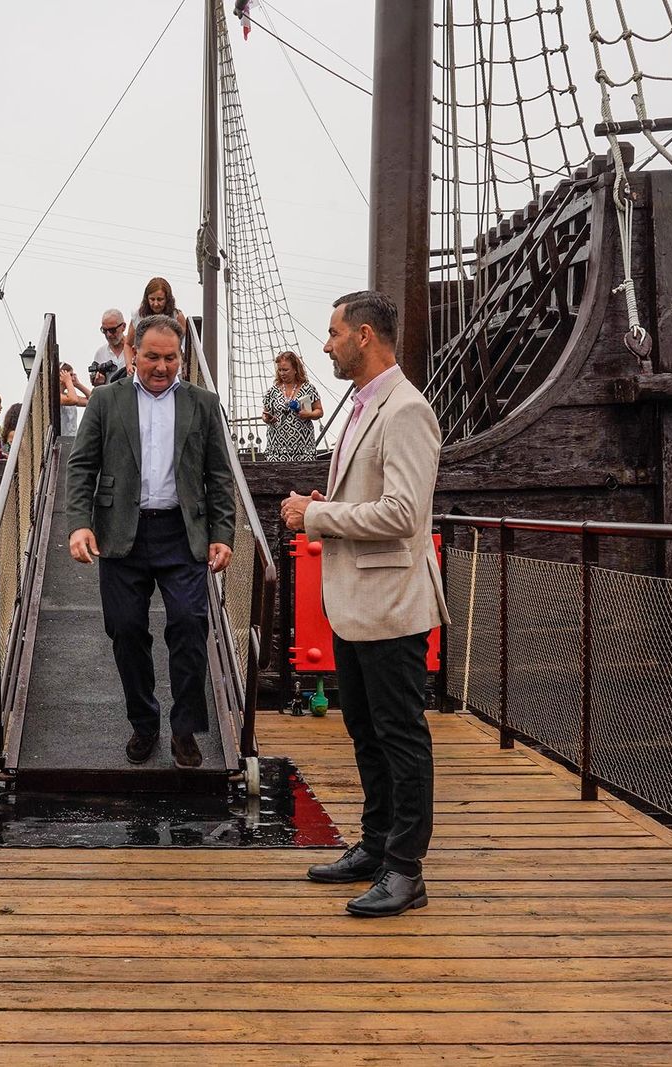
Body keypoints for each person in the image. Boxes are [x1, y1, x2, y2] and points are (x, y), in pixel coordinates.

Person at [280, 290, 447, 919]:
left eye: (333, 333)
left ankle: (406, 869)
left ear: (365, 336)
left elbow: (405, 514)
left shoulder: (405, 410)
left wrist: (316, 514)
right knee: (366, 732)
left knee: (400, 737)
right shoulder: (363, 404)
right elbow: (376, 495)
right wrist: (334, 502)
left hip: (389, 605)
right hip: (357, 603)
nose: (326, 345)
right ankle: (376, 846)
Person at [65, 314, 236, 768]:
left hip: (182, 534)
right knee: (125, 631)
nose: (161, 366)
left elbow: (219, 475)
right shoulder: (105, 400)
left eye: (171, 357)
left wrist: (223, 533)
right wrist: (78, 523)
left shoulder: (203, 403)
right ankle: (144, 723)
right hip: (122, 533)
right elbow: (81, 466)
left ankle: (184, 729)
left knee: (189, 626)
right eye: (152, 357)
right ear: (133, 354)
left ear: (181, 358)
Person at [261, 351, 323, 461]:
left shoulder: (308, 389)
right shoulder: (272, 392)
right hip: (277, 451)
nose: (282, 373)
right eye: (279, 370)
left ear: (295, 369)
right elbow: (265, 414)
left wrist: (309, 414)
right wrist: (267, 418)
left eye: (285, 370)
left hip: (304, 451)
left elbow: (319, 411)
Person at [125, 277, 189, 352]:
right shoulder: (138, 315)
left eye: (160, 299)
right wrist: (129, 363)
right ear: (146, 299)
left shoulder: (177, 316)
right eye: (152, 299)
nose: (155, 304)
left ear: (167, 299)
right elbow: (128, 344)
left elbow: (186, 346)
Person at [91, 308, 132, 386]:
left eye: (112, 330)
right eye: (104, 330)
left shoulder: (135, 348)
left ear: (123, 326)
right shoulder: (100, 353)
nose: (108, 334)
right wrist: (98, 382)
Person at [59, 362, 90, 436]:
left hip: (72, 438)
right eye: (70, 375)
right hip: (62, 439)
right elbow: (73, 400)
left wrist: (78, 385)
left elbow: (92, 400)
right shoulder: (57, 396)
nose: (73, 378)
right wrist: (68, 381)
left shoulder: (67, 395)